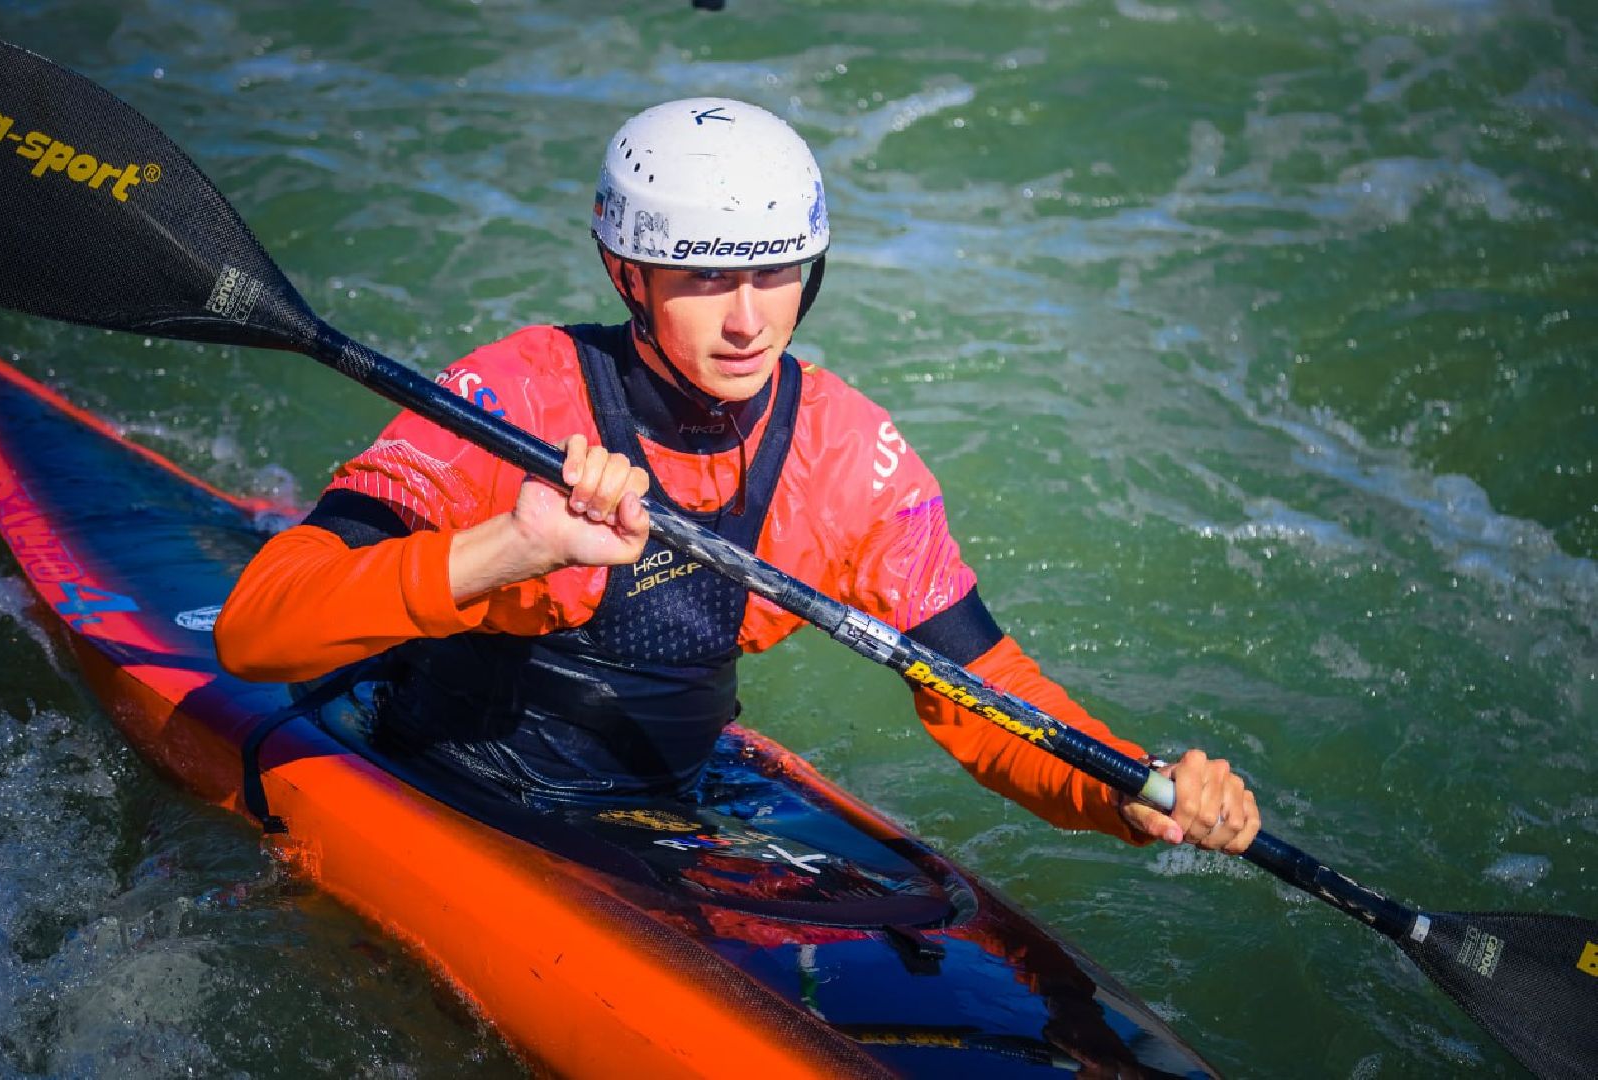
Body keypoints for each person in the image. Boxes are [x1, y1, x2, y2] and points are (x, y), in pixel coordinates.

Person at [215, 97, 1260, 854]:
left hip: (668, 806)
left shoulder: (847, 455)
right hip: (445, 780)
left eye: (774, 271)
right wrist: (513, 547)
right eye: (706, 276)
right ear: (627, 274)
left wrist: (1127, 787)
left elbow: (988, 697)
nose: (749, 317)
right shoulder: (514, 399)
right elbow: (258, 630)